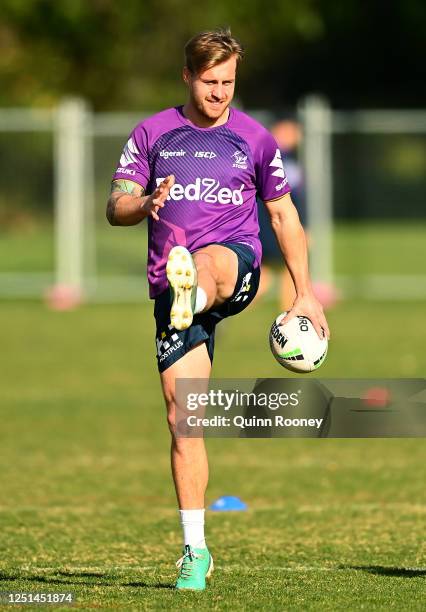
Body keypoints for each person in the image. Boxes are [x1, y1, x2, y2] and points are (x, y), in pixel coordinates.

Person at [106, 28, 330, 591]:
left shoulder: (253, 139)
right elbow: (116, 205)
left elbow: (284, 218)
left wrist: (305, 293)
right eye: (210, 82)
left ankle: (195, 292)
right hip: (168, 289)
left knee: (204, 259)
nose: (220, 93)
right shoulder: (153, 134)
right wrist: (145, 202)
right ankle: (195, 552)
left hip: (237, 265)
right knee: (185, 422)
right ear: (187, 75)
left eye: (228, 82)